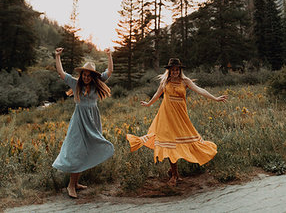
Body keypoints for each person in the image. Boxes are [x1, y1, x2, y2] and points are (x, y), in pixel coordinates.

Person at [126, 58, 228, 186]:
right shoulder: (165, 81)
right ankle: (174, 175)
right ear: (169, 71)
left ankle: (173, 171)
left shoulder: (185, 81)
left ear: (180, 70)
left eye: (177, 69)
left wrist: (215, 98)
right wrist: (148, 104)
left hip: (180, 117)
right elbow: (157, 95)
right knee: (170, 143)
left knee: (185, 141)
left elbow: (200, 90)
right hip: (166, 116)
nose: (175, 72)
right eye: (173, 70)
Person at [52, 47, 114, 198]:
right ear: (81, 75)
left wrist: (109, 55)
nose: (86, 77)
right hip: (79, 120)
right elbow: (61, 73)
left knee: (86, 150)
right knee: (78, 150)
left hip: (92, 120)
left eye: (88, 75)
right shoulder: (75, 84)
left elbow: (110, 71)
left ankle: (76, 182)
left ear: (93, 76)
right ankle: (71, 185)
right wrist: (57, 56)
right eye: (84, 74)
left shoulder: (96, 83)